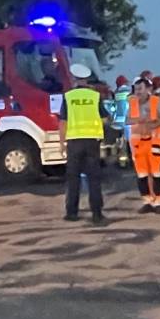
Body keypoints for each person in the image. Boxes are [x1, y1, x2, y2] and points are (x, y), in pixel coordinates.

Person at [60, 72, 109, 225]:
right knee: (93, 178)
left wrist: (62, 143)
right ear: (87, 80)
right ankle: (97, 214)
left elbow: (63, 122)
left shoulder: (68, 97)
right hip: (92, 141)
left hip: (74, 141)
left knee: (73, 178)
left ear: (74, 79)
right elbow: (105, 119)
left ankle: (71, 212)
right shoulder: (95, 96)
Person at [129, 71, 160, 214]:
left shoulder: (156, 101)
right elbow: (127, 120)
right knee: (142, 175)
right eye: (136, 89)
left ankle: (158, 202)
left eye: (140, 89)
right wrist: (138, 121)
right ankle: (147, 202)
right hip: (138, 145)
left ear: (147, 89)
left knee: (156, 174)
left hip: (154, 142)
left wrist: (151, 125)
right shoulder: (132, 103)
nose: (138, 92)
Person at [107, 75, 132, 168]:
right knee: (131, 141)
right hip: (129, 121)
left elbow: (113, 108)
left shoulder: (116, 93)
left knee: (122, 142)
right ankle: (133, 160)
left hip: (118, 121)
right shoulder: (130, 92)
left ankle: (122, 161)